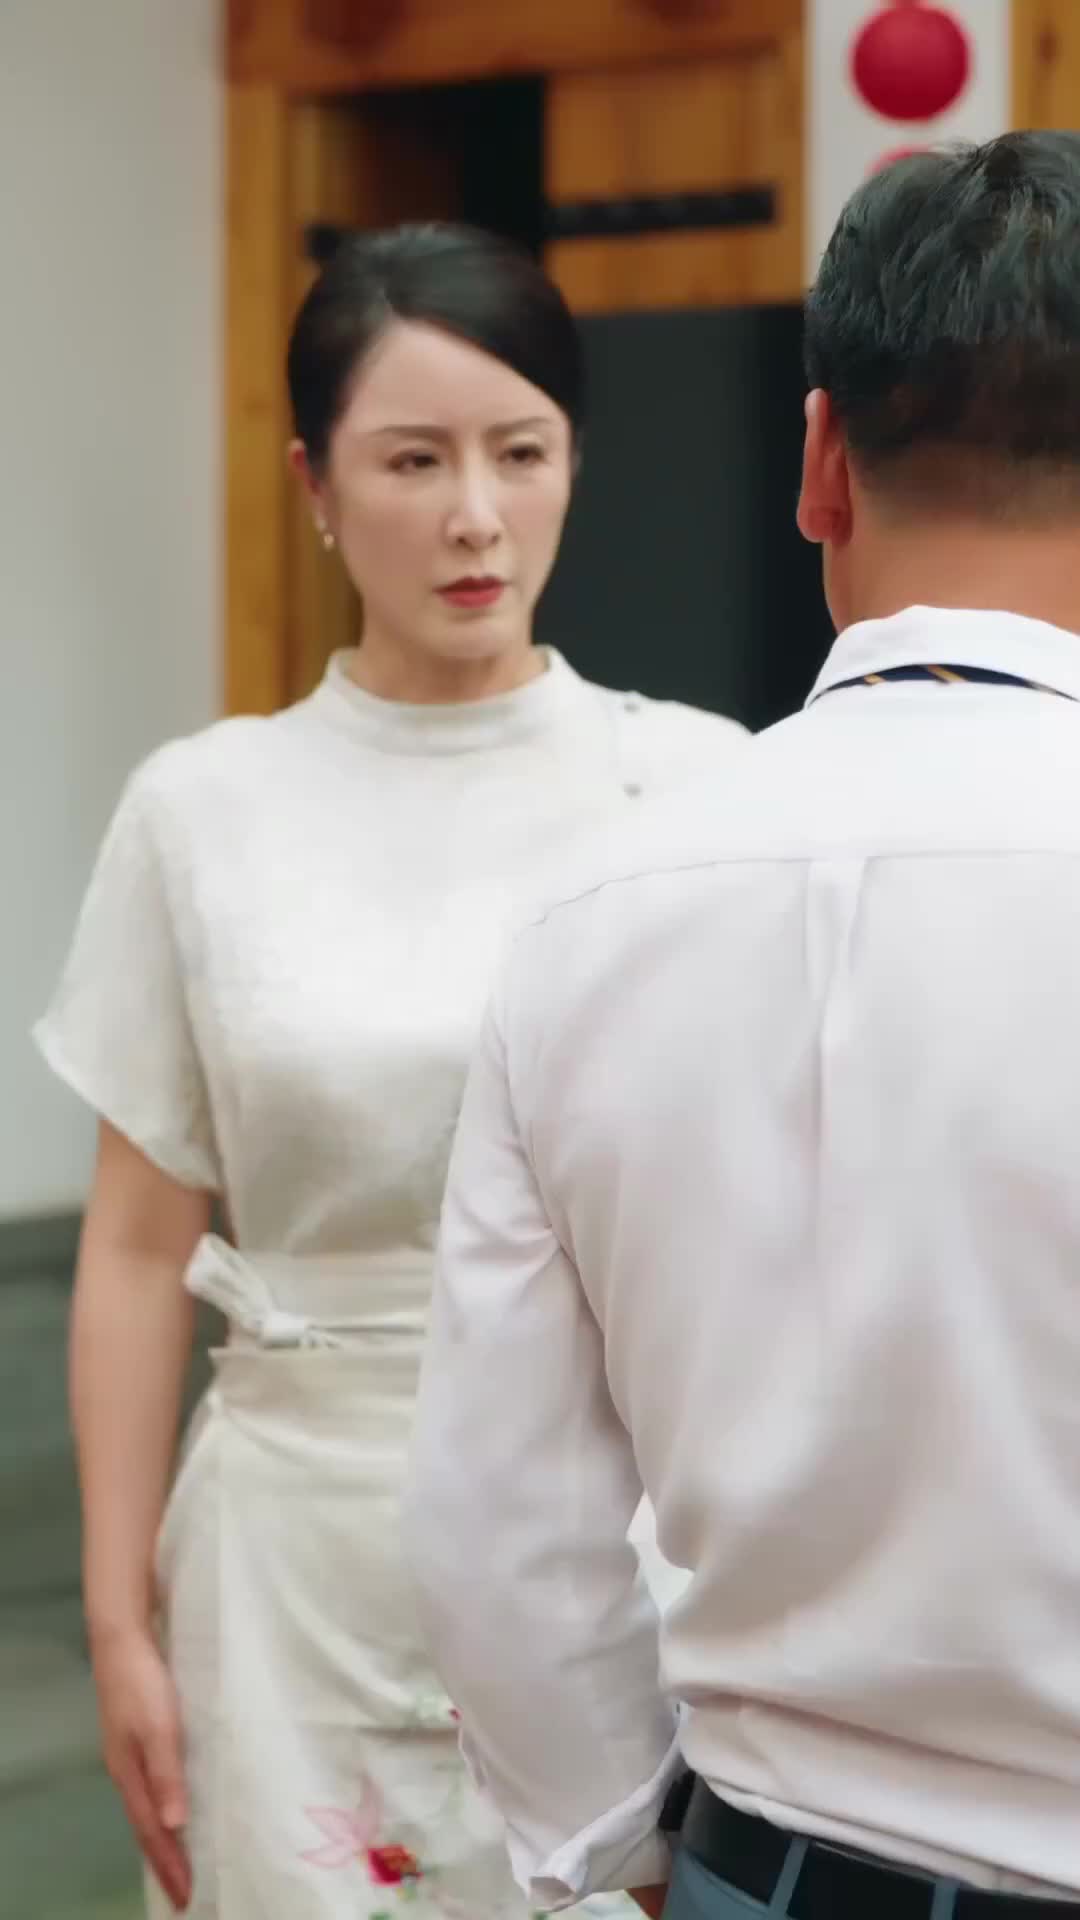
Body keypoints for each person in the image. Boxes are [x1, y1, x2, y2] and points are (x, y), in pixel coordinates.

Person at [406, 131, 1080, 1920]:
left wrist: (622, 1848)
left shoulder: (587, 916)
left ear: (819, 462)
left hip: (766, 1870)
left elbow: (498, 1520)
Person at [35, 221, 744, 1920]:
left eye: (521, 452)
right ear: (314, 483)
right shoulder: (204, 810)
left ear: (575, 460)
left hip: (605, 1536)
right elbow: (134, 1248)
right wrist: (118, 1622)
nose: (475, 515)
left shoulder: (697, 792)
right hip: (287, 1550)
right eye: (414, 460)